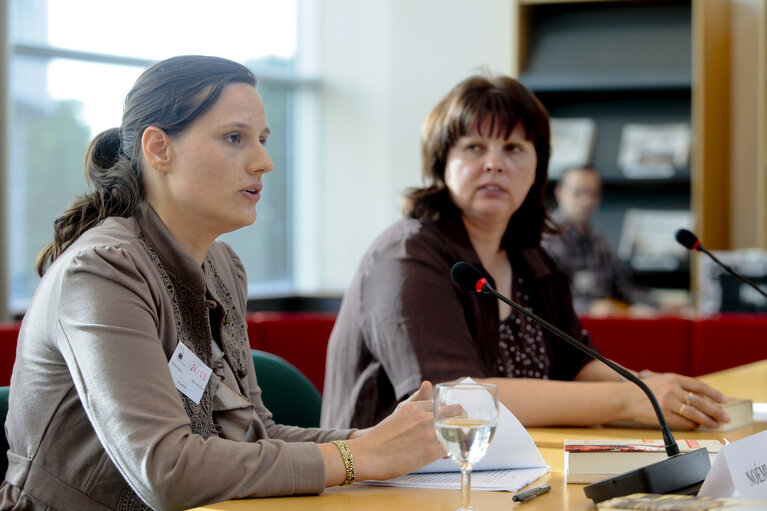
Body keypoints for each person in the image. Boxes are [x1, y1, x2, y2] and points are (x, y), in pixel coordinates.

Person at [0, 55, 444, 511]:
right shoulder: (100, 272)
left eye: (263, 140)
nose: (264, 162)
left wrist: (384, 443)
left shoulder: (222, 264)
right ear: (158, 148)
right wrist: (359, 456)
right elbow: (167, 472)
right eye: (235, 138)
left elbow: (256, 434)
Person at [321, 74, 729, 433]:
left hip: (504, 474)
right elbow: (457, 401)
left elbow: (577, 365)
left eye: (514, 148)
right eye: (474, 147)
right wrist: (630, 401)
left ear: (538, 168)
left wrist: (651, 388)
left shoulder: (532, 259)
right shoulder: (406, 255)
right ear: (442, 162)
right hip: (388, 485)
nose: (495, 164)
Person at [542, 166, 660, 317]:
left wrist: (658, 304)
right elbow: (547, 299)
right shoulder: (545, 240)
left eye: (593, 193)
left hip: (604, 329)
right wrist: (592, 308)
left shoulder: (598, 240)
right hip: (565, 333)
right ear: (560, 192)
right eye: (578, 193)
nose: (587, 201)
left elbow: (623, 288)